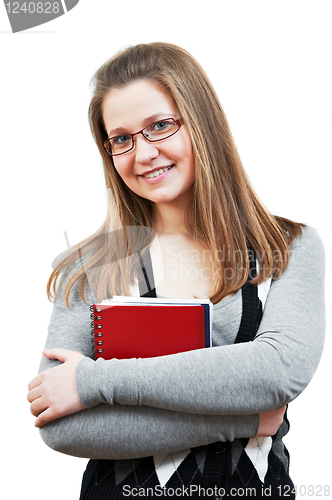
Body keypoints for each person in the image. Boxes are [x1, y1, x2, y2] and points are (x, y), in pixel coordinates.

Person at [27, 42, 325, 499]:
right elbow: (60, 424)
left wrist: (94, 382)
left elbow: (278, 371)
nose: (142, 153)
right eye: (121, 138)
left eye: (160, 126)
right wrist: (243, 419)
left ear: (202, 123)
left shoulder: (285, 248)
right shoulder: (90, 267)